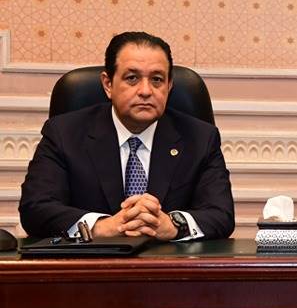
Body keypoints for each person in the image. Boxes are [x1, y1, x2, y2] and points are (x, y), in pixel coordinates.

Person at [19, 31, 234, 240]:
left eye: (157, 79)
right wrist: (101, 227)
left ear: (169, 86)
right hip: (92, 262)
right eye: (132, 78)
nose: (146, 91)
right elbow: (35, 208)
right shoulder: (63, 133)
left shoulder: (200, 138)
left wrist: (173, 225)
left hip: (168, 261)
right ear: (108, 84)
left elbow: (221, 214)